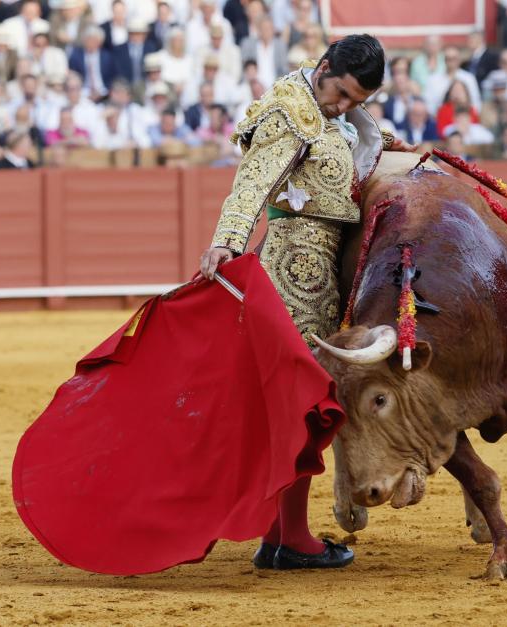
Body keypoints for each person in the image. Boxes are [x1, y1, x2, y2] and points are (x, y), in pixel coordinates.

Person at [198, 34, 414, 570]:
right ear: (322, 69)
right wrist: (228, 237)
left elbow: (346, 144)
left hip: (324, 271)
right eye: (339, 93)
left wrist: (388, 146)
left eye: (354, 102)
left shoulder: (332, 113)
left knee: (298, 407)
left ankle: (282, 537)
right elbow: (251, 182)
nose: (342, 107)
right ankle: (288, 539)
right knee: (302, 405)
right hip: (296, 271)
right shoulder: (289, 113)